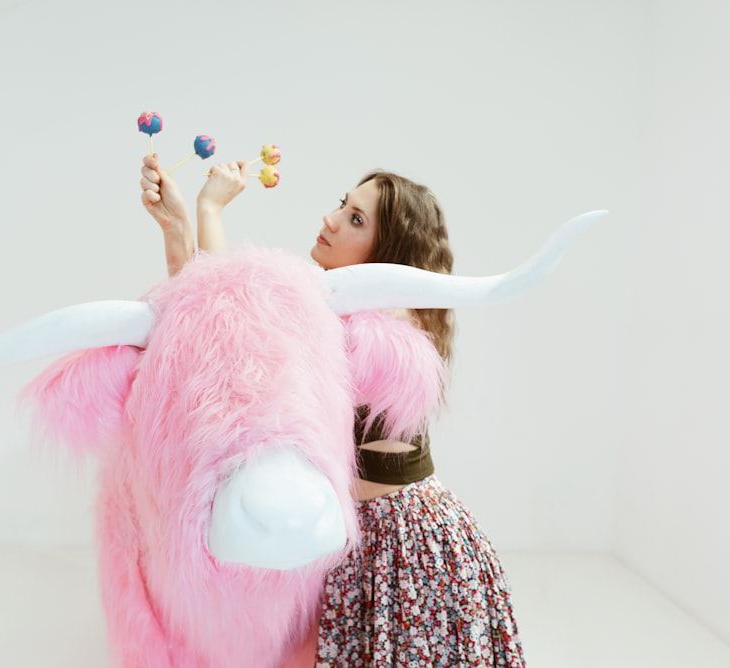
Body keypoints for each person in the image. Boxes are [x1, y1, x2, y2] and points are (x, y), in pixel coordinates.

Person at [140, 154, 525, 667]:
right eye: (343, 205)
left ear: (388, 252)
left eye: (356, 220)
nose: (331, 219)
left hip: (403, 552)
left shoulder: (381, 327)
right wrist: (178, 225)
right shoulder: (331, 312)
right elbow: (217, 330)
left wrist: (209, 214)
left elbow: (233, 331)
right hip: (351, 546)